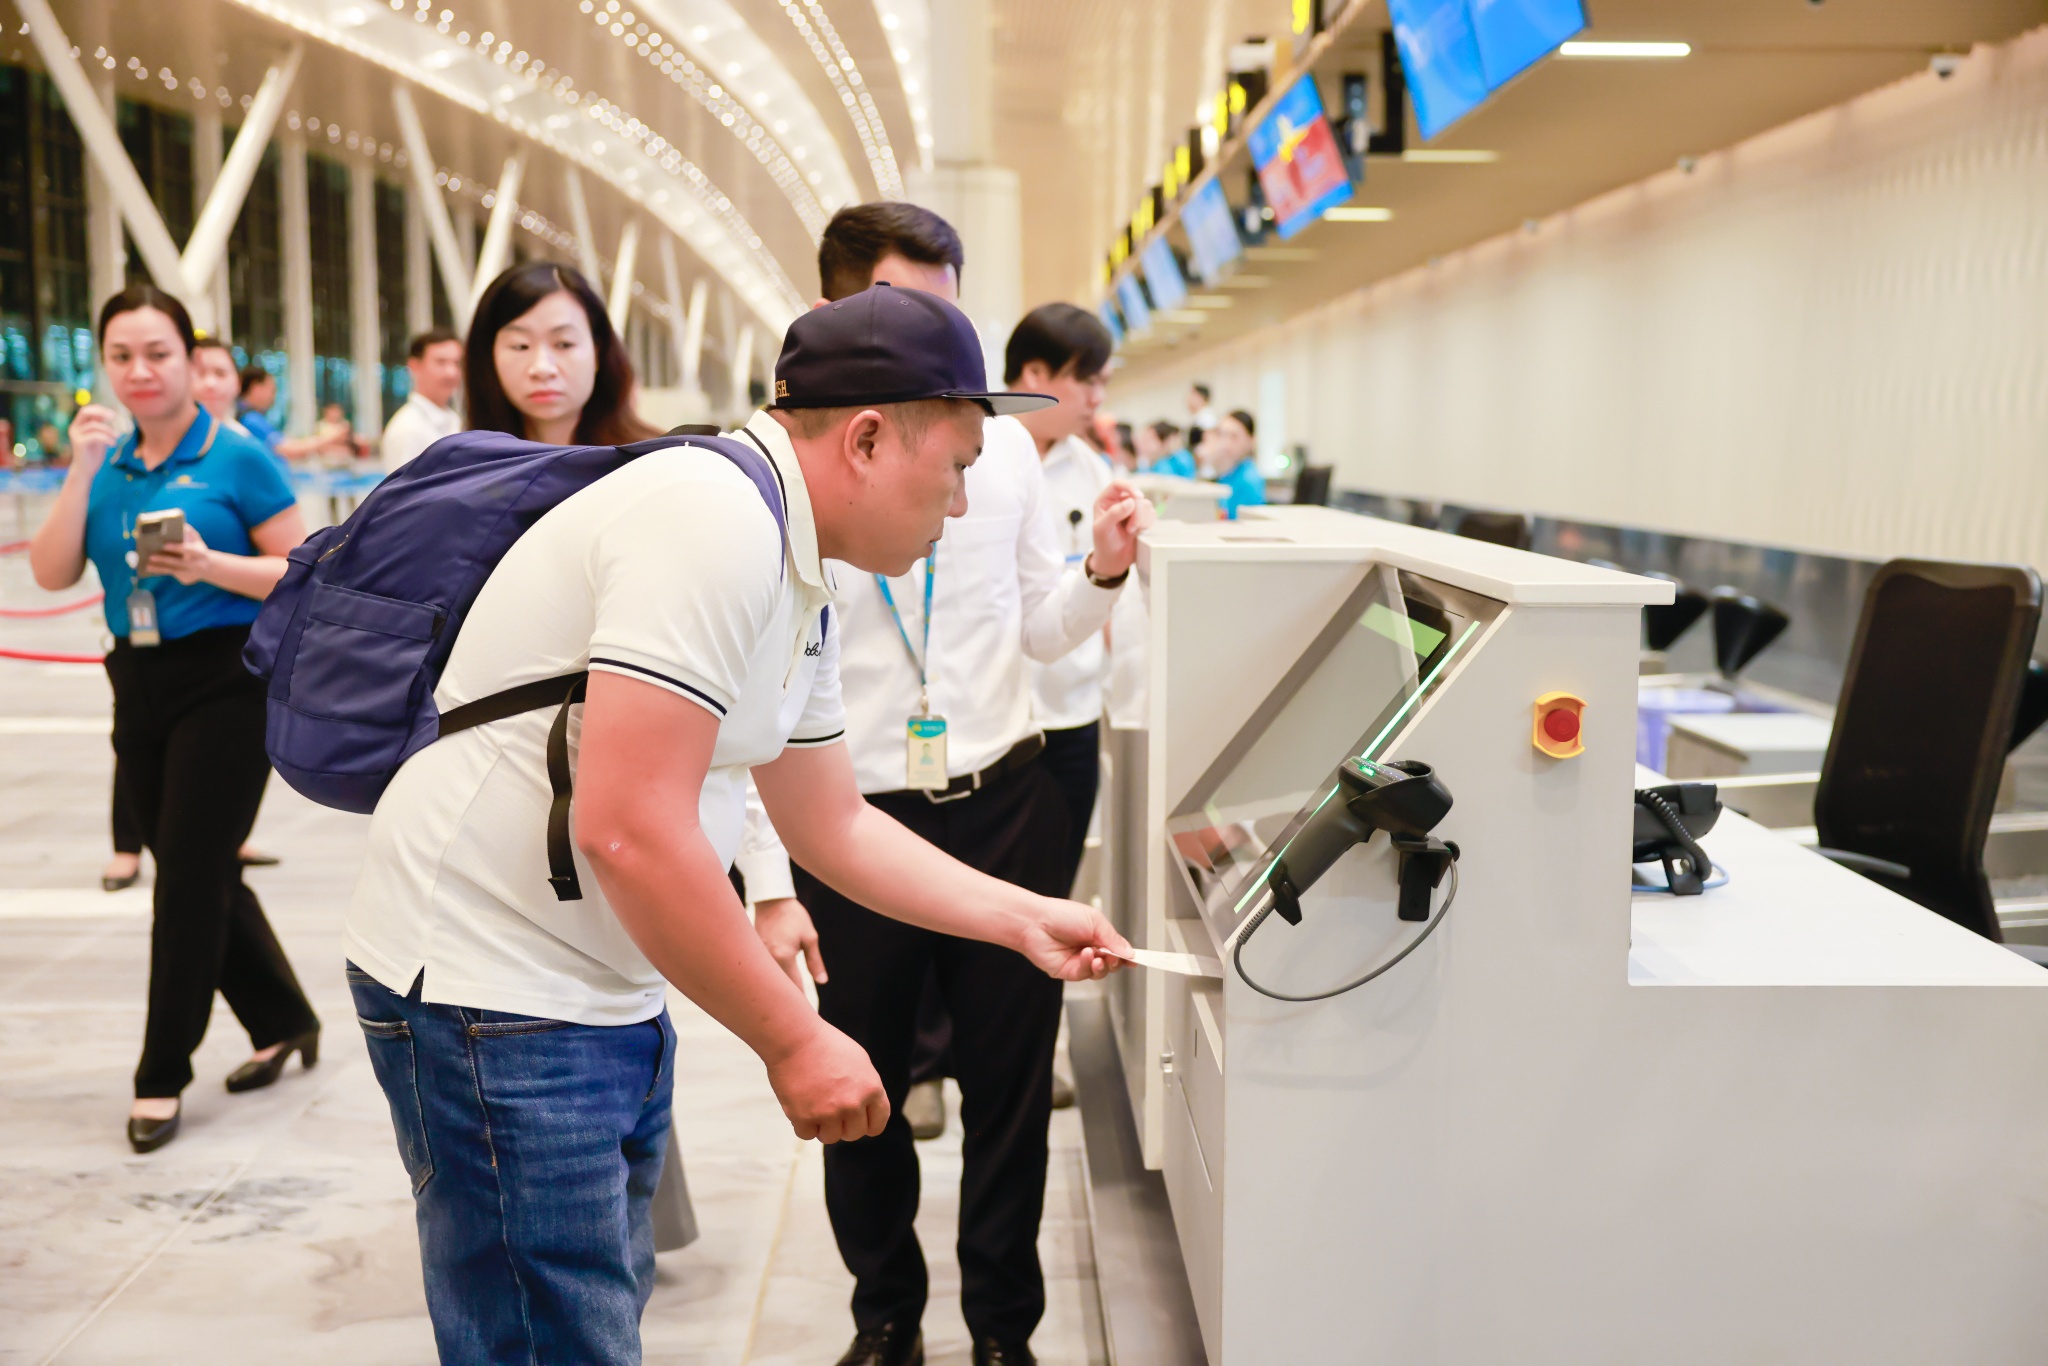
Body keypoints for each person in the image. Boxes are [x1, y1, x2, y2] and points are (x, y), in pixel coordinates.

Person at [342, 276, 1130, 1366]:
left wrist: (1021, 917)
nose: (959, 506)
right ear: (865, 438)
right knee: (552, 1337)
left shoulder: (795, 564)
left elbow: (832, 822)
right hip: (494, 988)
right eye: (954, 468)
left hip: (592, 981)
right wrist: (793, 1036)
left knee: (588, 1317)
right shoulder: (711, 522)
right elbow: (628, 826)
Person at [746, 211, 1150, 1366]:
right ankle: (885, 1318)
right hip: (851, 820)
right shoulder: (791, 471)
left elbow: (1038, 630)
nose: (941, 335)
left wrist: (1100, 574)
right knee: (860, 1080)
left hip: (1003, 800)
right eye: (908, 305)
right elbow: (753, 709)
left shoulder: (1000, 451)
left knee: (1010, 1089)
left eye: (950, 307)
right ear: (833, 313)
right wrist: (771, 877)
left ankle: (1001, 1331)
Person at [29, 285, 322, 1155]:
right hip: (137, 675)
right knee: (191, 860)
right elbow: (51, 573)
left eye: (157, 353)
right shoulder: (108, 460)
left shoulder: (236, 456)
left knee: (188, 878)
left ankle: (161, 1073)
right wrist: (80, 468)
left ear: (192, 361)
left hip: (229, 676)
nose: (140, 371)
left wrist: (209, 565)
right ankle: (285, 1018)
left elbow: (305, 570)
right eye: (121, 356)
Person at [1010, 305, 1119, 894]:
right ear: (1034, 373)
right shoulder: (978, 459)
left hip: (1072, 718)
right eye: (1086, 379)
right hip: (997, 720)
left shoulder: (1091, 470)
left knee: (1055, 889)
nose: (1097, 397)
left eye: (1103, 381)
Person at [380, 327, 464, 473]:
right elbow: (404, 488)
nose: (451, 372)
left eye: (457, 363)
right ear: (415, 366)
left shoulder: (453, 419)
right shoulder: (408, 429)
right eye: (441, 362)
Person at [1210, 408, 1266, 518]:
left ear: (1251, 440)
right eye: (1222, 435)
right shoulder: (1228, 474)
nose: (1226, 444)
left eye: (1234, 436)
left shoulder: (1249, 480)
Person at [1185, 381, 1217, 447]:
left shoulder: (1207, 418)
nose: (1188, 399)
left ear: (1201, 398)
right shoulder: (1197, 417)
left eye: (1192, 395)